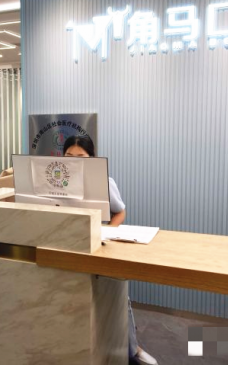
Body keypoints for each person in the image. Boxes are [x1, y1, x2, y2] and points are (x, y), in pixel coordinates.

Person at [63, 135, 158, 365]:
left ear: (92, 158)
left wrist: (105, 232)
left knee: (118, 297)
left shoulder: (104, 181)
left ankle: (133, 348)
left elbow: (120, 212)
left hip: (99, 246)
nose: (74, 161)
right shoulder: (56, 181)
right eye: (69, 156)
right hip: (68, 247)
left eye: (81, 157)